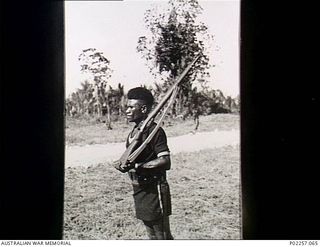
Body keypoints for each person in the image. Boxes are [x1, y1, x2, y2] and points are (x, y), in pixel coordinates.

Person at [115, 87, 174, 240]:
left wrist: (137, 167)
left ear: (143, 109)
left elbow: (165, 161)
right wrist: (124, 164)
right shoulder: (135, 132)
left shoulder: (155, 131)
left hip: (154, 189)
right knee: (151, 235)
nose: (126, 110)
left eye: (130, 107)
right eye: (126, 106)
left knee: (162, 235)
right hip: (139, 188)